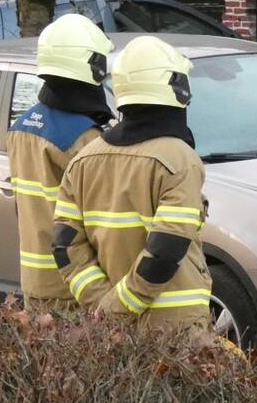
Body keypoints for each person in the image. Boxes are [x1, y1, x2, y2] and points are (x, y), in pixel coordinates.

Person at [53, 35, 212, 325]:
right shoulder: (179, 160)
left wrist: (102, 305)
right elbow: (166, 250)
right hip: (174, 333)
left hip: (110, 334)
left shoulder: (84, 159)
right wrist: (119, 306)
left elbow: (65, 246)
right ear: (175, 88)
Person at [8, 14, 114, 310]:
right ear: (91, 66)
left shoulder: (22, 126)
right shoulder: (83, 139)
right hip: (75, 285)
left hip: (35, 282)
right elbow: (102, 221)